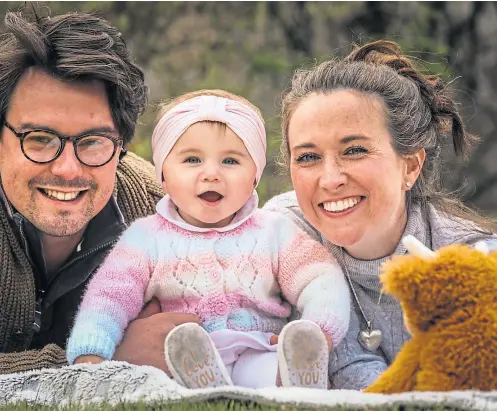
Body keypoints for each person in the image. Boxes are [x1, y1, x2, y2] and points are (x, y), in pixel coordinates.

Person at [0, 10, 195, 388]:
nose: (68, 169)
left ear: (121, 146)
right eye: (40, 139)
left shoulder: (157, 210)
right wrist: (98, 361)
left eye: (93, 142)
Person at [66, 89, 351, 389]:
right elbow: (109, 297)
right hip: (182, 354)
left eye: (230, 161)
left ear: (255, 174)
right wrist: (91, 351)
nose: (211, 174)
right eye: (192, 159)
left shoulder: (274, 231)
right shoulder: (145, 238)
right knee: (166, 373)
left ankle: (299, 380)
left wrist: (320, 327)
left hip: (257, 349)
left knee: (274, 373)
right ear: (162, 174)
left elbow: (319, 277)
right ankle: (205, 387)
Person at [263, 40, 497, 390]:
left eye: (354, 150)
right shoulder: (279, 233)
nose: (330, 179)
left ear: (410, 165)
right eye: (308, 157)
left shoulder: (473, 262)